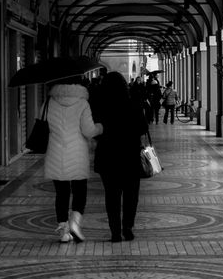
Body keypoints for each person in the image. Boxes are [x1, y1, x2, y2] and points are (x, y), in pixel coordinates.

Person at [43, 76, 102, 243]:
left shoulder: (49, 102)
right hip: (76, 153)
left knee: (61, 193)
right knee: (79, 190)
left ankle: (63, 231)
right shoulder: (83, 103)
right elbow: (89, 131)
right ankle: (75, 222)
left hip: (55, 152)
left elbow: (45, 125)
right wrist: (100, 127)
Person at [93, 71, 149, 242]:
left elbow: (95, 132)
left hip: (108, 156)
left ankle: (115, 232)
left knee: (112, 196)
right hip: (130, 156)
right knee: (131, 195)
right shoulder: (133, 103)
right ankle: (128, 228)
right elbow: (142, 128)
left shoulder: (100, 105)